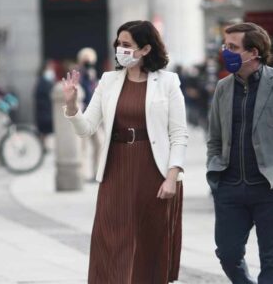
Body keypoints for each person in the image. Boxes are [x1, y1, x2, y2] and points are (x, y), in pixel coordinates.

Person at [62, 20, 188, 284]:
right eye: (118, 44)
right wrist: (73, 106)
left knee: (148, 243)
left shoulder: (168, 82)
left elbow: (179, 134)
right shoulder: (108, 81)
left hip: (153, 171)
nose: (120, 49)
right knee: (110, 240)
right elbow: (86, 129)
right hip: (116, 169)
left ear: (145, 49)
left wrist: (171, 176)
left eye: (127, 44)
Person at [207, 22, 273, 284]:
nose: (225, 52)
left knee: (272, 261)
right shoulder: (222, 88)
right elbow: (214, 137)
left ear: (253, 52)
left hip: (271, 186)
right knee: (227, 254)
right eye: (225, 46)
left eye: (232, 47)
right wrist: (214, 174)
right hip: (230, 187)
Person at [76, 47, 104, 181]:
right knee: (83, 146)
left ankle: (95, 173)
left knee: (99, 143)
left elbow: (95, 92)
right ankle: (81, 175)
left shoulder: (92, 74)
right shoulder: (78, 74)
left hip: (94, 114)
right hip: (83, 114)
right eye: (86, 60)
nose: (88, 63)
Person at [34, 62, 55, 144]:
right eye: (50, 69)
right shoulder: (42, 82)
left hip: (45, 112)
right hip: (44, 112)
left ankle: (43, 147)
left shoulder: (46, 81)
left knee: (44, 133)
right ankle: (42, 146)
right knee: (44, 132)